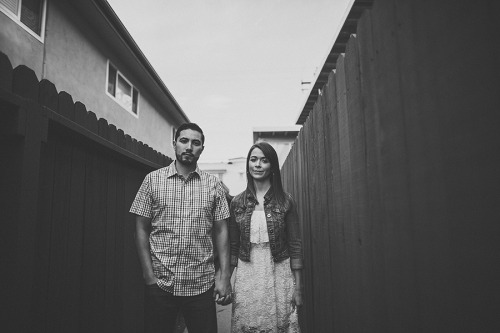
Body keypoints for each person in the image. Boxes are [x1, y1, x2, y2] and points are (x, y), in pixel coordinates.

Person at [130, 123, 232, 333]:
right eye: (184, 140)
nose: (189, 147)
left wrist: (224, 276)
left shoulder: (214, 185)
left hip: (201, 284)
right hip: (161, 283)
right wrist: (148, 275)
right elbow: (140, 228)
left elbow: (222, 230)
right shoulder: (152, 180)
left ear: (202, 148)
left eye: (196, 143)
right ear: (174, 143)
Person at [229, 141, 303, 332]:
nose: (258, 164)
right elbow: (233, 246)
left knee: (279, 324)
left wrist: (298, 287)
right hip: (248, 273)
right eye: (253, 160)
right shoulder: (237, 202)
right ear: (248, 164)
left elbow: (295, 245)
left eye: (264, 160)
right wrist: (226, 281)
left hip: (279, 272)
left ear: (272, 167)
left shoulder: (286, 201)